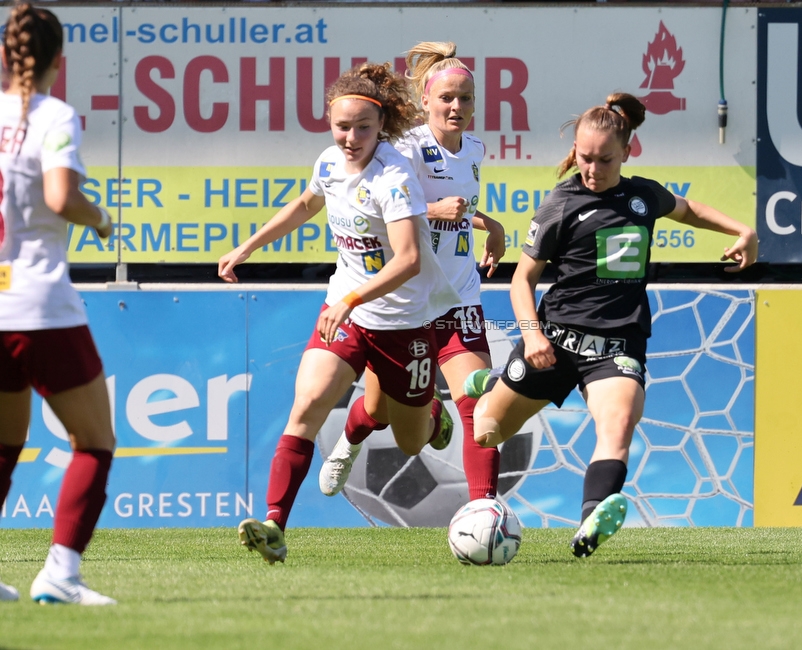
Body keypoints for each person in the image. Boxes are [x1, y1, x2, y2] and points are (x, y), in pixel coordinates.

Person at [467, 93, 758, 557]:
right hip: (554, 342)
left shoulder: (643, 196)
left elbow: (690, 210)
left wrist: (742, 230)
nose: (593, 168)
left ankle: (589, 526)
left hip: (616, 346)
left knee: (618, 423)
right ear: (575, 152)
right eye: (585, 157)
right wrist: (532, 335)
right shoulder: (560, 204)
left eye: (605, 158)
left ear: (626, 152)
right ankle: (495, 382)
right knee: (485, 429)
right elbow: (522, 280)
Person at [218, 62, 460, 565]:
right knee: (305, 407)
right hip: (346, 309)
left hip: (402, 321)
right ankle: (275, 526)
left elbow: (410, 261)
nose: (350, 138)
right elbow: (306, 204)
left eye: (362, 128)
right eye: (341, 126)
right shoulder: (329, 161)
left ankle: (432, 411)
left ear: (381, 126)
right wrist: (247, 247)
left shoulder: (394, 177)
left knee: (411, 441)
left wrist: (353, 300)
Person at [319, 41, 507, 504]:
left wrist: (492, 225)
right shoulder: (405, 146)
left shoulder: (477, 149)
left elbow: (460, 212)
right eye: (447, 98)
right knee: (378, 409)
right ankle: (351, 438)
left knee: (477, 405)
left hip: (458, 295)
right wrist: (434, 207)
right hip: (407, 303)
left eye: (466, 98)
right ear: (425, 101)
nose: (456, 106)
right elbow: (385, 203)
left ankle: (483, 511)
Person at [0, 2, 117, 605]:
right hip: (39, 303)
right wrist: (99, 219)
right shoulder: (55, 115)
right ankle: (61, 574)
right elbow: (60, 195)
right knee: (95, 442)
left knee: (3, 444)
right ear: (58, 62)